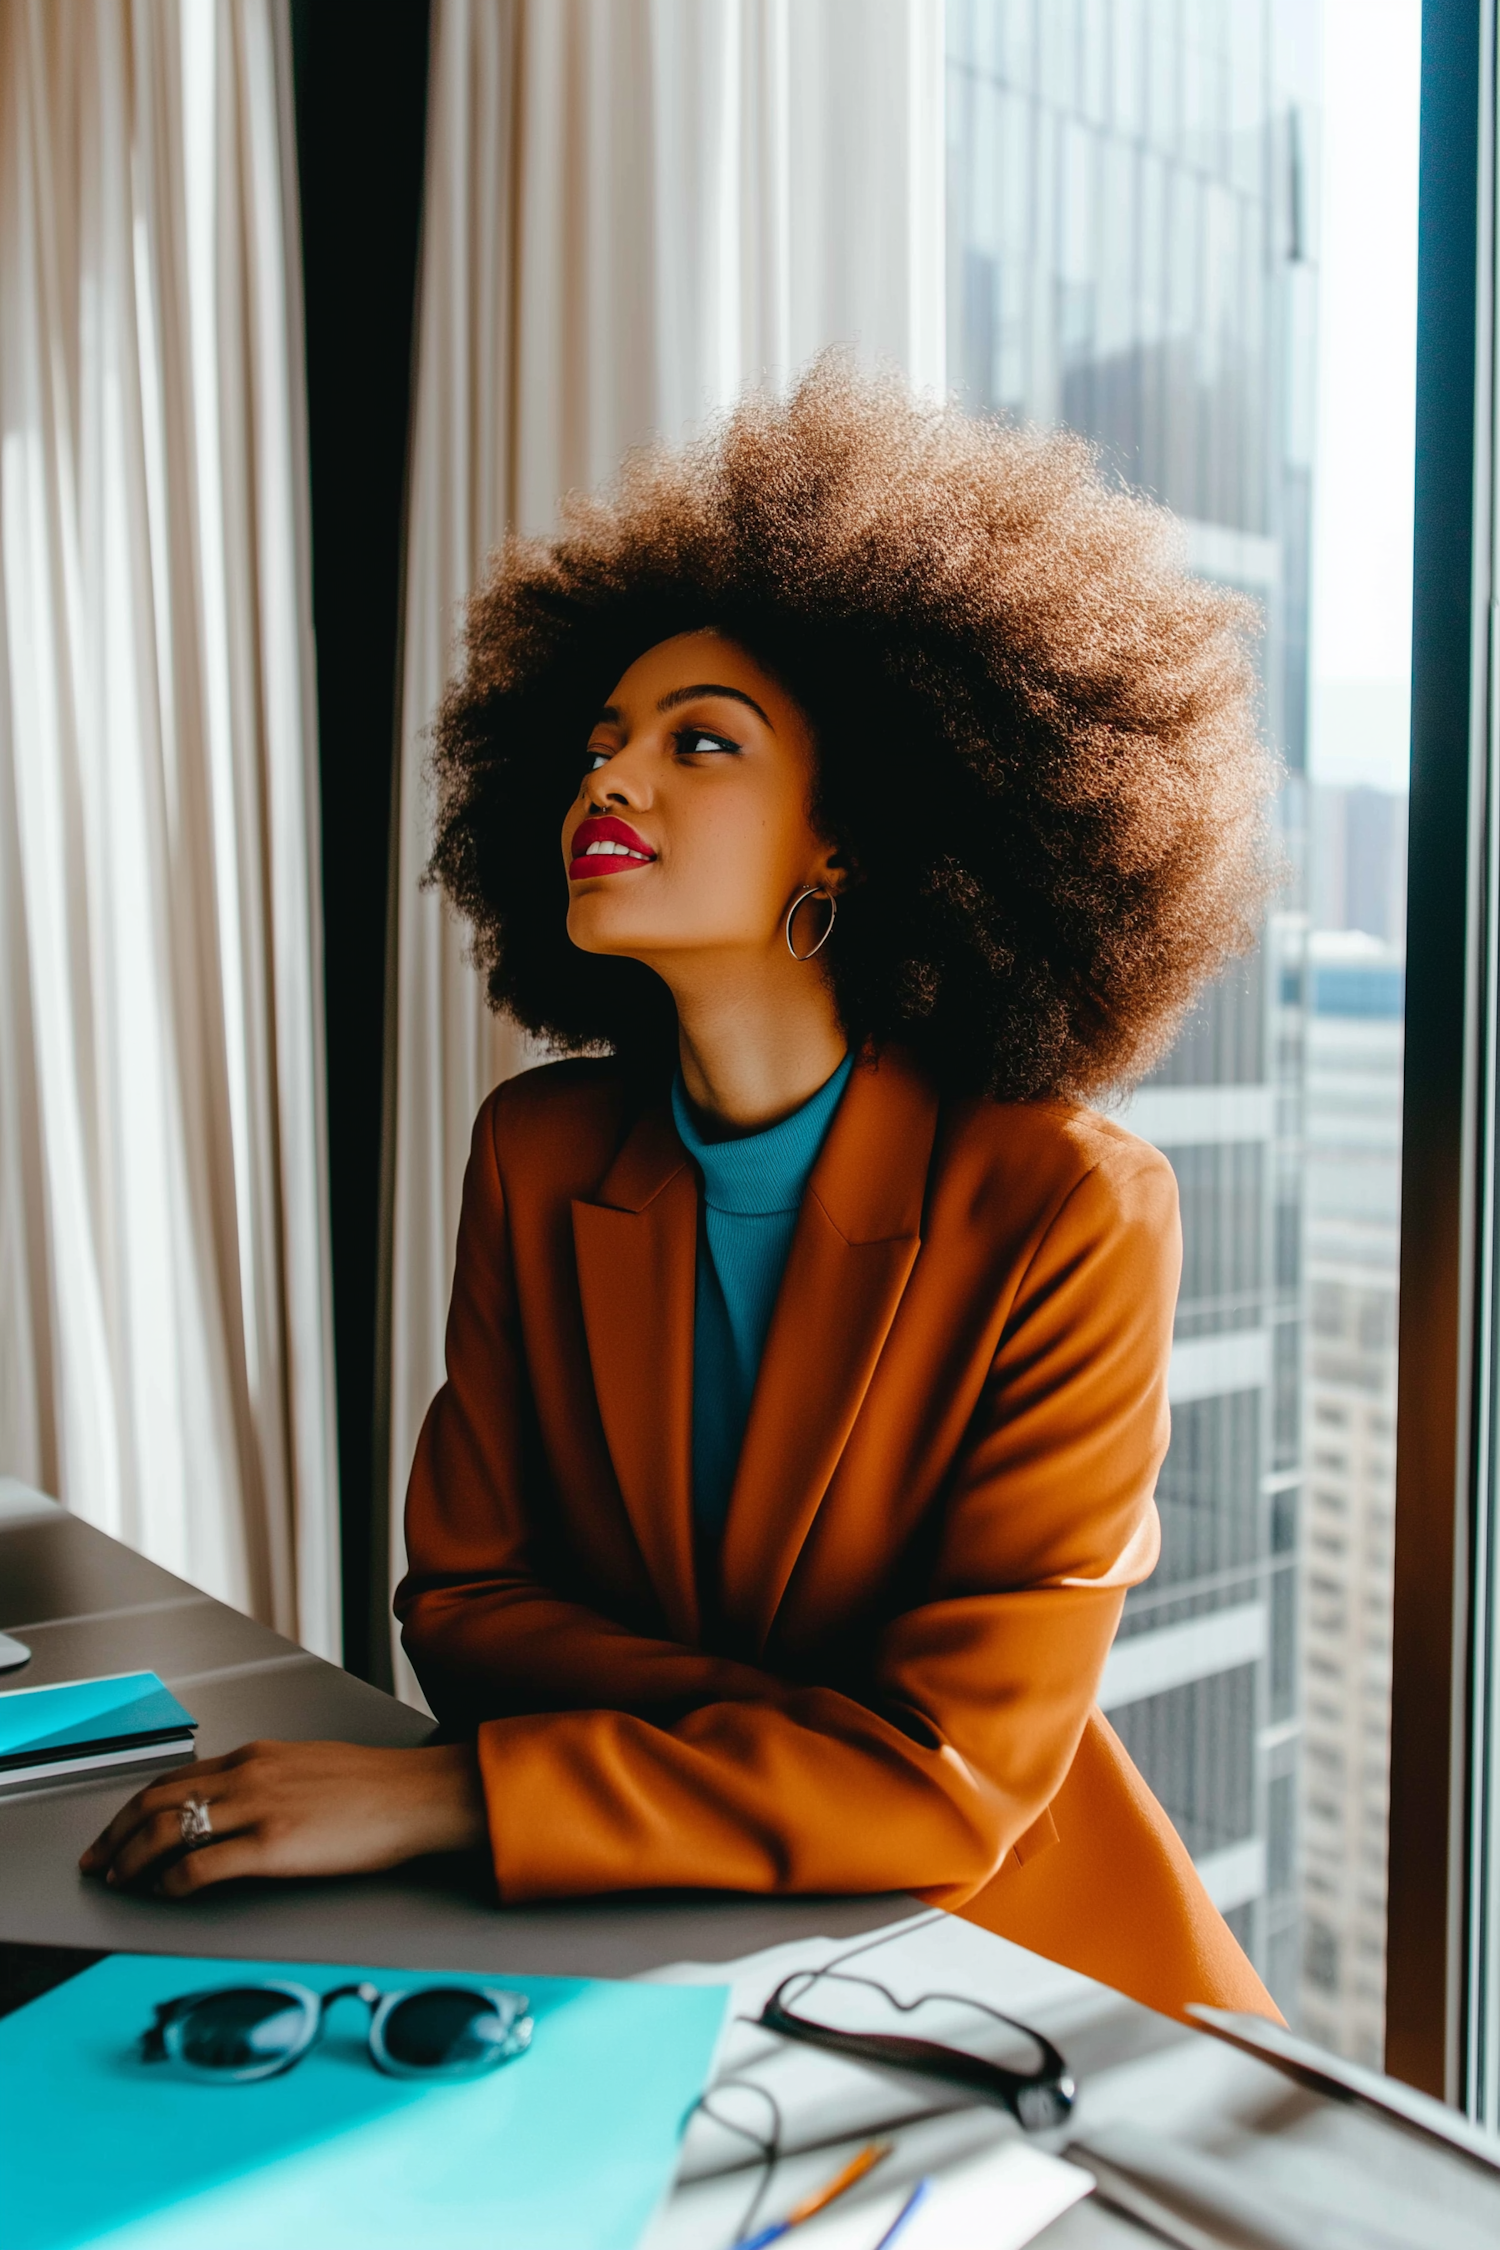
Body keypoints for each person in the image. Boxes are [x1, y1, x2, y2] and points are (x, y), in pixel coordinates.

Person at [83, 363, 1280, 2020]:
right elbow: (468, 1606)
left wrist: (462, 1791)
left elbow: (945, 1790)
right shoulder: (540, 1151)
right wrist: (815, 1742)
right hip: (628, 1944)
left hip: (1015, 1981)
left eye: (698, 741)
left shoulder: (1070, 1212)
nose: (609, 783)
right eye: (598, 743)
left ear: (845, 841)